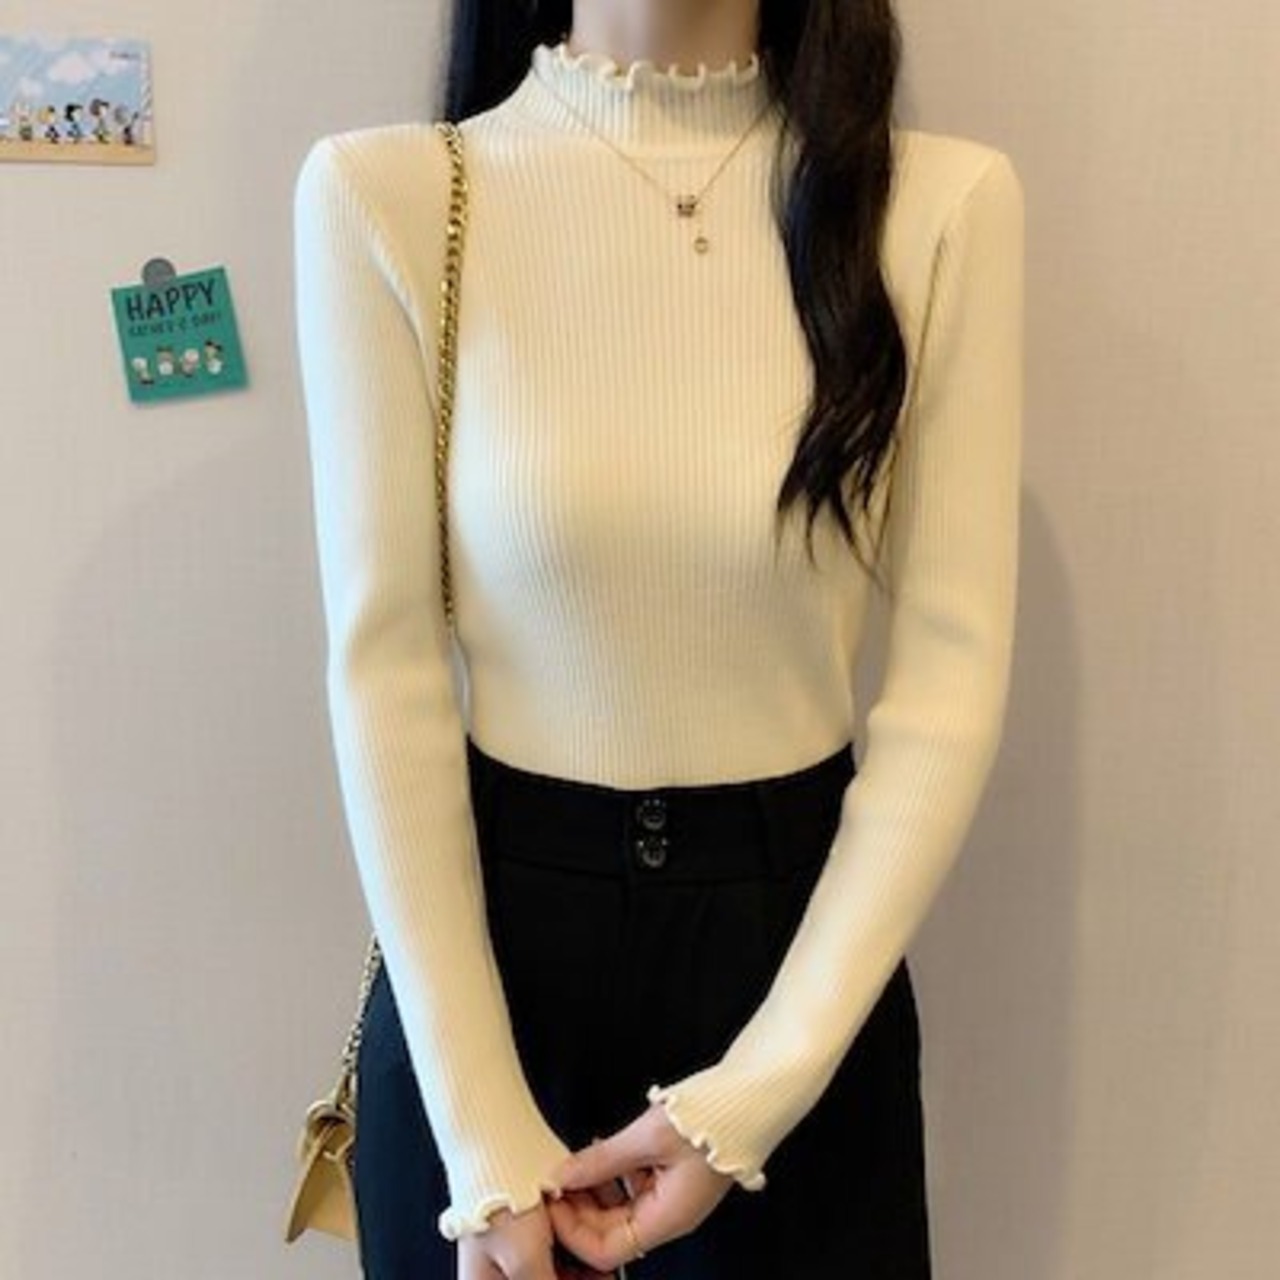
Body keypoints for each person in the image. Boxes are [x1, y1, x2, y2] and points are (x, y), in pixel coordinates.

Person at [291, 0, 1024, 1277]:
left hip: (794, 980)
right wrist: (482, 1137)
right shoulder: (388, 195)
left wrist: (756, 1092)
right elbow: (385, 671)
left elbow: (945, 686)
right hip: (484, 981)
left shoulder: (937, 207)